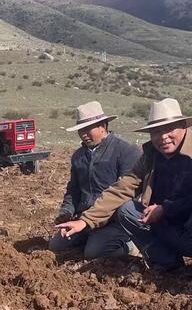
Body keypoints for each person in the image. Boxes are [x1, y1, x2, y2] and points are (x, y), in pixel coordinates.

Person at [56, 97, 192, 273]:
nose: (163, 137)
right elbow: (122, 189)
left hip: (183, 219)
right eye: (156, 132)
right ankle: (168, 264)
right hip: (168, 224)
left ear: (183, 126)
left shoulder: (124, 150)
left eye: (168, 129)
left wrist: (166, 208)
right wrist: (85, 221)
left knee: (95, 249)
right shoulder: (150, 156)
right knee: (128, 210)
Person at [49, 101, 141, 259]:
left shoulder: (126, 151)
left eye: (87, 129)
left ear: (103, 126)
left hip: (114, 220)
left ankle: (131, 245)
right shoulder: (78, 156)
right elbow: (74, 190)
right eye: (80, 130)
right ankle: (91, 240)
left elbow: (127, 193)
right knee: (55, 246)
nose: (84, 134)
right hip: (84, 218)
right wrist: (67, 211)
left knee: (93, 253)